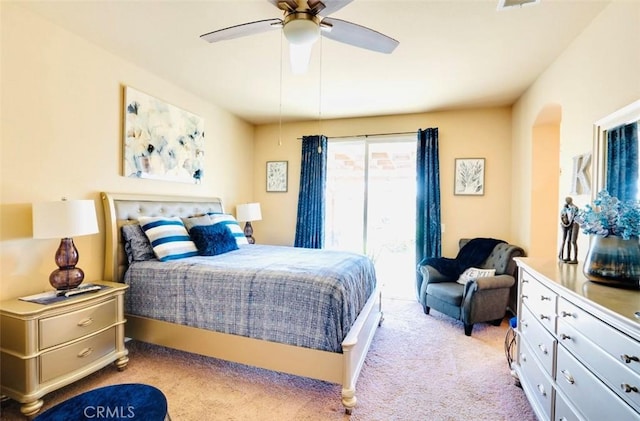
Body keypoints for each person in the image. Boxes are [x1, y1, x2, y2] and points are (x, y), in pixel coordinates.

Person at [558, 196, 579, 264]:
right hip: (567, 225)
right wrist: (564, 222)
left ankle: (575, 258)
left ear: (570, 201)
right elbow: (562, 215)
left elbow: (573, 218)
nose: (567, 201)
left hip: (574, 224)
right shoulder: (565, 208)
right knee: (567, 241)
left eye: (568, 200)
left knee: (573, 241)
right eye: (566, 200)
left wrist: (568, 224)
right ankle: (567, 257)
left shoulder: (575, 208)